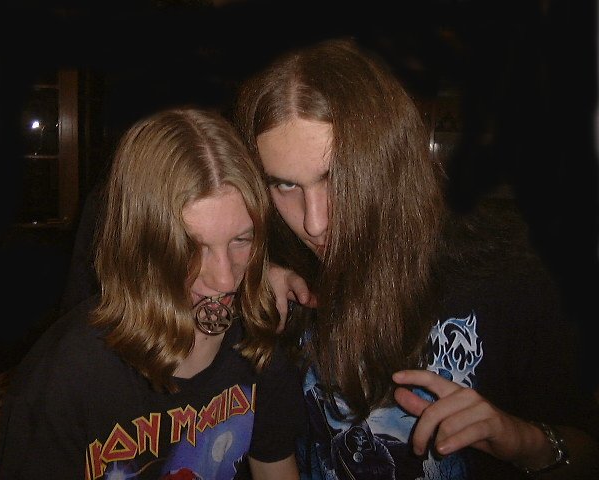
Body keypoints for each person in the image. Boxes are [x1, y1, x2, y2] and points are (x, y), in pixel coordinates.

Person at [232, 37, 599, 479]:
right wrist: (251, 275)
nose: (314, 222)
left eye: (337, 178)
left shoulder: (510, 278)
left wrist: (522, 441)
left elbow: (587, 451)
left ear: (391, 160)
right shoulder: (285, 277)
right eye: (285, 185)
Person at [0, 107, 305, 480]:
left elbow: (276, 467)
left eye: (241, 240)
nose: (225, 280)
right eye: (192, 248)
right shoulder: (64, 378)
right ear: (143, 247)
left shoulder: (258, 339)